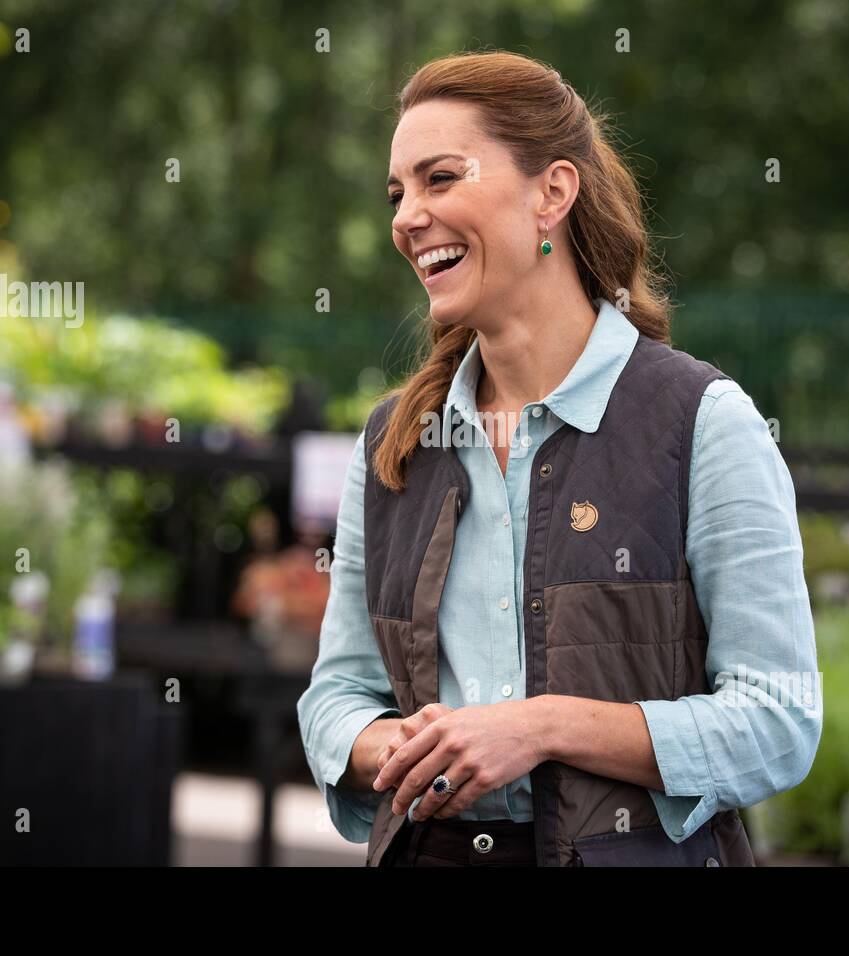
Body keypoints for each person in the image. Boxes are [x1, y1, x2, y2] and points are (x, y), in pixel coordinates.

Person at [297, 50, 822, 867]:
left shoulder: (703, 424)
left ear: (553, 192)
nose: (406, 217)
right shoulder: (394, 442)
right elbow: (335, 697)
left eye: (440, 179)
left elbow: (778, 721)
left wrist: (537, 728)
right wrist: (413, 749)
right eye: (398, 194)